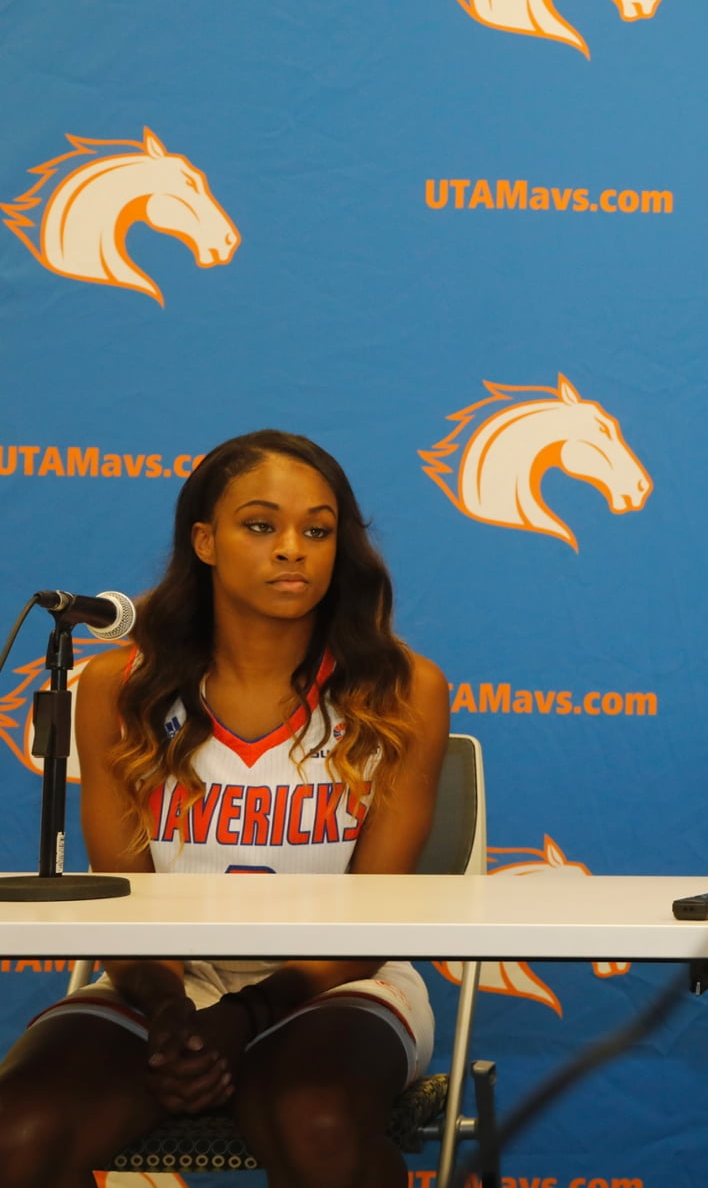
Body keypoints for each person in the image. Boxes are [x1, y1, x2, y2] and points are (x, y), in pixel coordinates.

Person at [0, 430, 451, 1188]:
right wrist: (171, 1014)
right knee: (17, 1130)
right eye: (261, 524)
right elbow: (124, 904)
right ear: (205, 541)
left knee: (314, 1117)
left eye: (317, 531)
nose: (292, 549)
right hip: (162, 981)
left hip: (341, 982)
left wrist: (244, 1017)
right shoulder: (117, 688)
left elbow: (377, 919)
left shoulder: (401, 690)